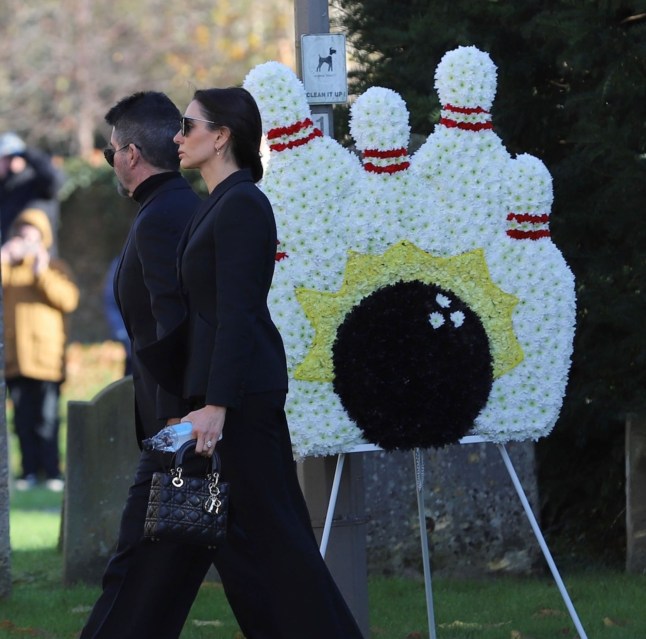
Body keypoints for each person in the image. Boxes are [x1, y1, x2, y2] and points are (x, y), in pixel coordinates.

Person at [140, 87, 365, 638]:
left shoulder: (242, 204)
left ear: (221, 136)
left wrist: (215, 404)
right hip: (226, 394)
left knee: (278, 540)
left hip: (242, 398)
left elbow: (238, 314)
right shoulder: (220, 202)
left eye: (188, 126)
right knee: (247, 542)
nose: (177, 136)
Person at [80, 92, 202, 638]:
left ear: (131, 154)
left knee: (134, 567)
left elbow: (173, 325)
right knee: (157, 573)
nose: (112, 162)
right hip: (187, 423)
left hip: (179, 428)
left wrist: (178, 417)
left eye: (110, 153)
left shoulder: (161, 217)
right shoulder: (175, 207)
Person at [2, 207, 79, 491]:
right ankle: (28, 472)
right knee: (21, 419)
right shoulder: (8, 271)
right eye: (21, 236)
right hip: (15, 359)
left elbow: (68, 300)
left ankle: (53, 472)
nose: (26, 243)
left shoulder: (55, 268)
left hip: (46, 360)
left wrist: (42, 271)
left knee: (47, 419)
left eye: (32, 237)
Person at [0, 132, 64, 253]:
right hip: (8, 263)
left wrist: (25, 152)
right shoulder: (4, 188)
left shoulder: (36, 184)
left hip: (39, 262)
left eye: (9, 158)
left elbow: (54, 178)